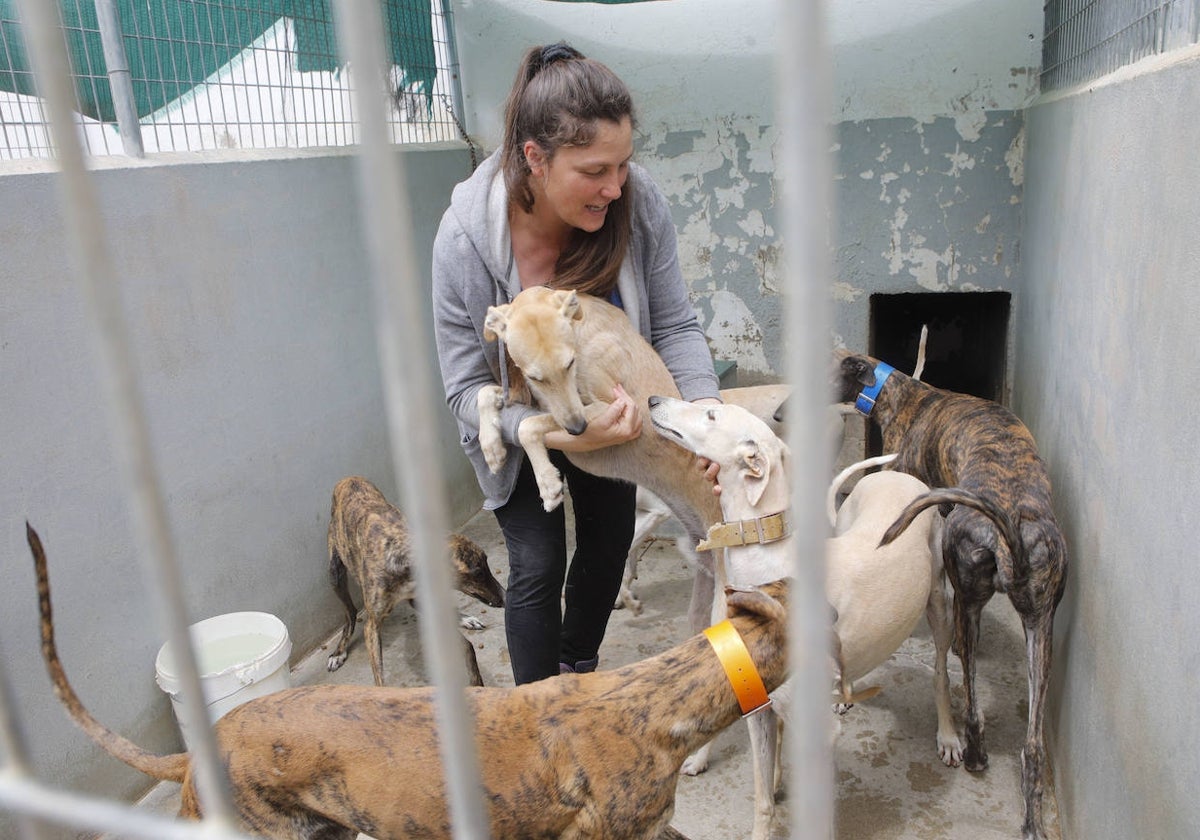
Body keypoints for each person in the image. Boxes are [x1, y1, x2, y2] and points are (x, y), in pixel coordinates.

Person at [432, 41, 720, 685]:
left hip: (609, 415)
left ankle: (574, 670)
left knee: (609, 538)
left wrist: (706, 419)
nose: (615, 187)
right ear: (535, 158)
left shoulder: (636, 203)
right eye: (594, 171)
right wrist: (553, 431)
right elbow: (463, 390)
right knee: (535, 563)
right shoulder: (463, 244)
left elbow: (675, 323)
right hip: (520, 426)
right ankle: (538, 724)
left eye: (623, 165)